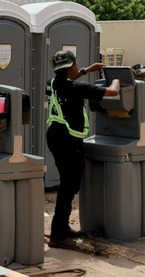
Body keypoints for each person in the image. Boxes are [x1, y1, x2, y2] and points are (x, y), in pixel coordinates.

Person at [45, 50, 121, 247]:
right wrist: (119, 79)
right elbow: (113, 92)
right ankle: (58, 235)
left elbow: (72, 78)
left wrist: (88, 70)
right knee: (69, 186)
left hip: (55, 137)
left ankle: (61, 228)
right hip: (68, 141)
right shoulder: (77, 87)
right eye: (77, 66)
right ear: (71, 67)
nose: (78, 68)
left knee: (67, 184)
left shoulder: (53, 83)